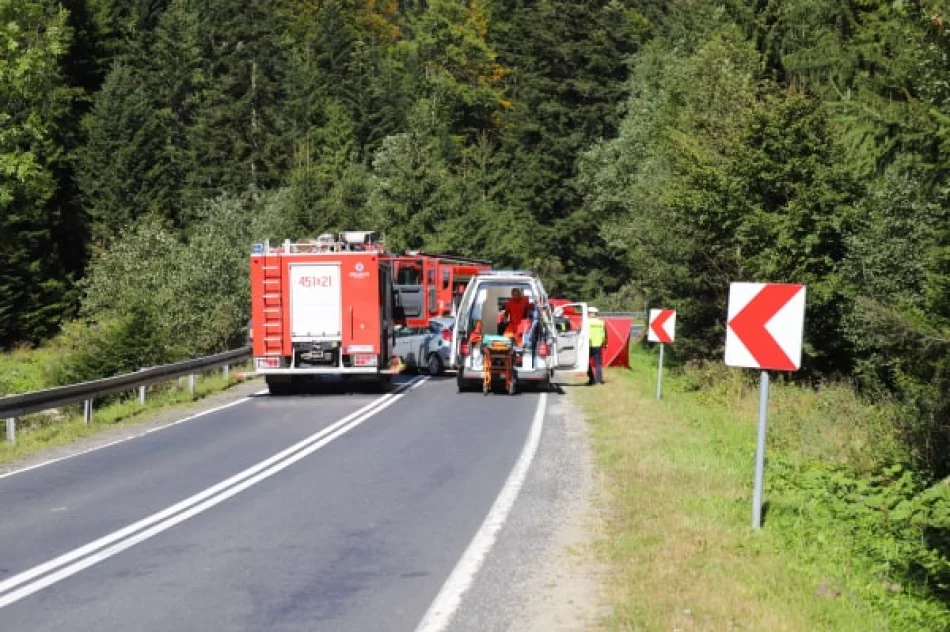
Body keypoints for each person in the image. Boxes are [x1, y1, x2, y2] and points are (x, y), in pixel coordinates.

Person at [587, 306, 607, 385]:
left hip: (589, 344)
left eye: (588, 313)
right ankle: (599, 380)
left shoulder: (587, 322)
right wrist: (604, 343)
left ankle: (591, 379)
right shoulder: (601, 322)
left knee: (586, 363)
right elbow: (604, 334)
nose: (588, 314)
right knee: (598, 364)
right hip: (598, 345)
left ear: (592, 313)